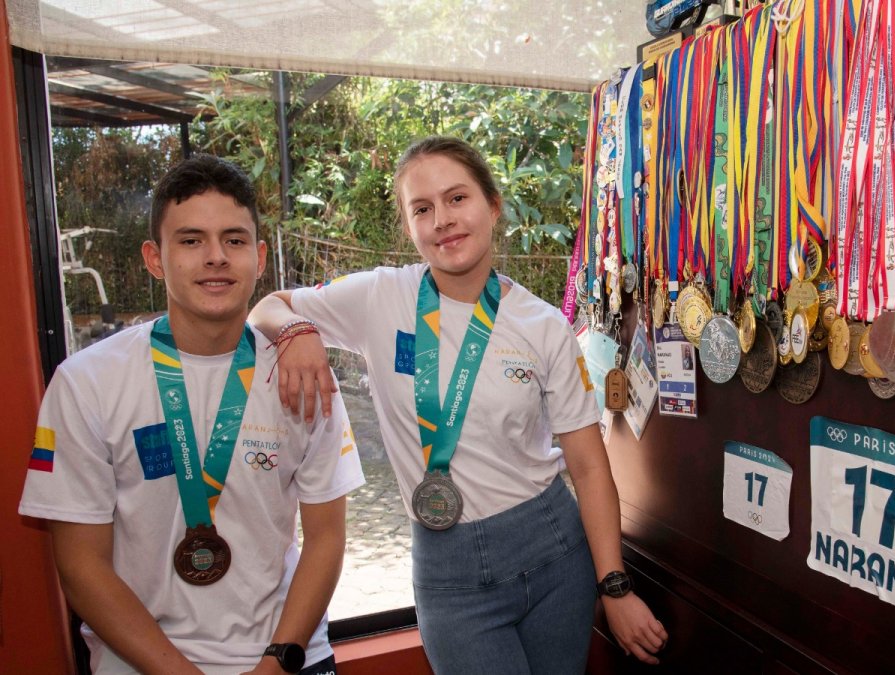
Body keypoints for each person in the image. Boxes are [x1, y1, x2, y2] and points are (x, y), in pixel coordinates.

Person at [248, 136, 668, 672]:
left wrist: (614, 587)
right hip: (448, 571)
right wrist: (298, 332)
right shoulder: (379, 297)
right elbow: (267, 306)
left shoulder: (542, 325)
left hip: (554, 553)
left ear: (492, 206)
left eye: (457, 199)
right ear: (408, 226)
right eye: (422, 209)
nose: (442, 219)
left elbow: (587, 467)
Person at [19, 155, 365, 675]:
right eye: (190, 240)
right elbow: (80, 564)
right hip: (140, 662)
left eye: (234, 239)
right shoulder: (87, 382)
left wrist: (277, 662)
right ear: (155, 259)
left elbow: (326, 538)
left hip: (287, 656)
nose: (215, 257)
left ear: (259, 256)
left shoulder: (303, 376)